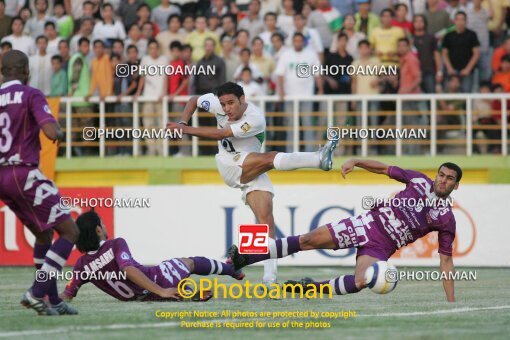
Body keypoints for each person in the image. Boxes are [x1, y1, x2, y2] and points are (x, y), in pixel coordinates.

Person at [167, 82, 338, 287]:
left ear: (243, 99)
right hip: (230, 164)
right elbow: (194, 100)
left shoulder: (255, 119)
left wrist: (184, 130)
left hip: (250, 165)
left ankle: (262, 275)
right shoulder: (218, 104)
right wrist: (183, 123)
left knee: (265, 220)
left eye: (231, 103)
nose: (227, 109)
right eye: (223, 104)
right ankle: (317, 159)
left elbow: (222, 134)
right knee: (270, 158)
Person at [229, 159, 460, 303]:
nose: (443, 180)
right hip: (366, 224)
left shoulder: (446, 219)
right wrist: (357, 161)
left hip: (381, 247)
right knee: (308, 239)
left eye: (449, 179)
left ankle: (311, 288)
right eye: (441, 175)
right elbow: (385, 169)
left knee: (361, 282)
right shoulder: (418, 180)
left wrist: (450, 302)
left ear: (455, 185)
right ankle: (244, 258)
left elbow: (446, 262)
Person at [0, 50, 79, 315]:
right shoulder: (30, 93)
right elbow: (49, 130)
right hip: (22, 172)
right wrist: (58, 131)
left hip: (1, 176)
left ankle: (52, 300)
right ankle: (35, 292)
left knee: (44, 233)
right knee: (70, 231)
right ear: (25, 69)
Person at [60, 210, 243, 302]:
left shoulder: (81, 265)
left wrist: (46, 298)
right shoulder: (115, 244)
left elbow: (68, 294)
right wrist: (162, 290)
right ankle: (231, 269)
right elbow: (129, 270)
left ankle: (185, 294)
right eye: (102, 224)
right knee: (189, 262)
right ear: (98, 230)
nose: (105, 227)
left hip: (140, 297)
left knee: (163, 280)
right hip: (156, 281)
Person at [442, 11, 480, 93]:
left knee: (467, 94)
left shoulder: (472, 35)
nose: (460, 22)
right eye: (458, 19)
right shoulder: (448, 36)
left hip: (467, 72)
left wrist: (468, 69)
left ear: (466, 21)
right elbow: (444, 54)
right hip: (452, 71)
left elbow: (476, 53)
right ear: (454, 21)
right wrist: (449, 68)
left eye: (462, 19)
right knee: (450, 94)